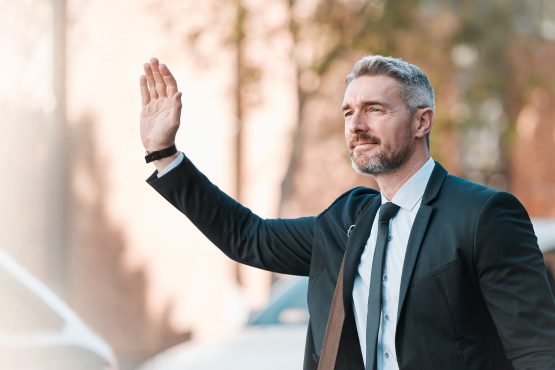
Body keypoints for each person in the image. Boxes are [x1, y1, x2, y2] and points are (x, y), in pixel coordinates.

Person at [139, 55, 555, 370]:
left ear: (421, 122)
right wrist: (165, 155)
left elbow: (536, 349)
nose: (356, 124)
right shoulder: (346, 221)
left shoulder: (483, 215)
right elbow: (248, 237)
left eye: (374, 109)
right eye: (348, 112)